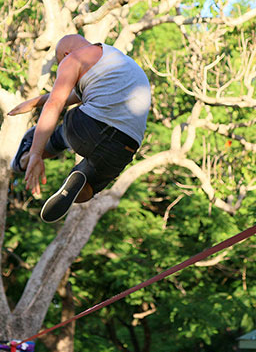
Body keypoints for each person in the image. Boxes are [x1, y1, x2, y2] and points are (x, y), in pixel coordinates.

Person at [8, 34, 151, 222]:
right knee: (89, 189)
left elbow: (56, 103)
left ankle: (29, 154)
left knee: (69, 123)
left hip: (89, 130)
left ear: (66, 54)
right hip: (124, 148)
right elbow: (73, 95)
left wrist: (36, 152)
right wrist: (35, 102)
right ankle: (80, 180)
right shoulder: (117, 60)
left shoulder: (74, 59)